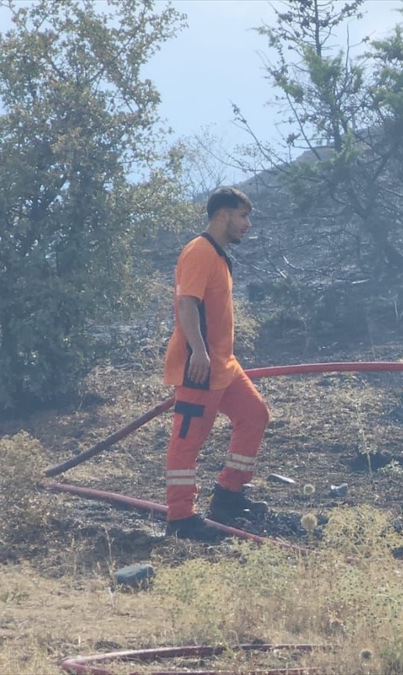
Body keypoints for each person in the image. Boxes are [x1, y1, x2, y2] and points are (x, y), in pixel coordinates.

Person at [161, 187, 271, 541]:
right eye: (243, 216)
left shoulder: (218, 256)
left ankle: (228, 496)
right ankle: (180, 518)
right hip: (200, 368)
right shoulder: (199, 251)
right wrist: (198, 351)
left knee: (254, 416)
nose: (247, 224)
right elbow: (187, 304)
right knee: (187, 441)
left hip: (224, 365)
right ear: (223, 215)